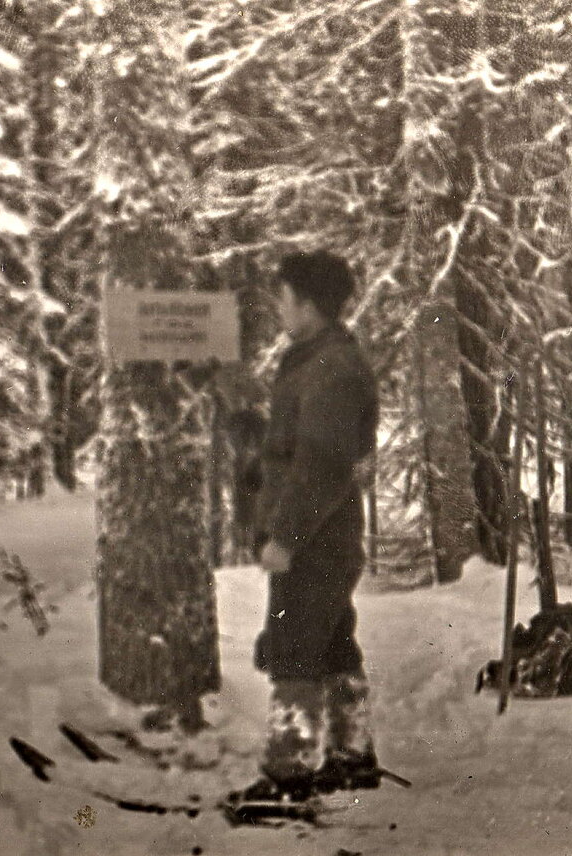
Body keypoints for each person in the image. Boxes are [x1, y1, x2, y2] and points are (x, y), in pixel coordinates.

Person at [238, 249, 380, 802]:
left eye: (284, 297)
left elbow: (321, 464)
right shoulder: (316, 360)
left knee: (295, 645)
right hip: (326, 534)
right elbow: (297, 451)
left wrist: (284, 537)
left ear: (310, 305)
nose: (279, 307)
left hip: (316, 538)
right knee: (332, 642)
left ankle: (288, 777)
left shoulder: (330, 368)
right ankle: (351, 755)